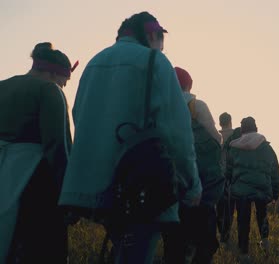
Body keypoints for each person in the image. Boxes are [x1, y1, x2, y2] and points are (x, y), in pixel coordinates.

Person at [58, 12, 201, 264]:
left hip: (100, 184)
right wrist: (191, 184)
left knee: (125, 249)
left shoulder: (94, 63)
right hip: (144, 184)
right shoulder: (155, 61)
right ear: (151, 36)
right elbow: (177, 132)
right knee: (136, 252)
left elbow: (79, 116)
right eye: (160, 42)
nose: (161, 49)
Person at [0, 42, 74, 263]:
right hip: (34, 182)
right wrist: (68, 193)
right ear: (54, 72)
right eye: (65, 80)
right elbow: (57, 145)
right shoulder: (49, 91)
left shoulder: (2, 85)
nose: (64, 86)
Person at [163, 67, 224, 264]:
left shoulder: (160, 104)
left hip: (170, 181)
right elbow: (215, 139)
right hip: (200, 180)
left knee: (174, 239)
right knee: (203, 235)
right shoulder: (196, 105)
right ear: (188, 84)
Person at [226, 117, 279, 260]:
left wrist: (230, 186)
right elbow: (275, 171)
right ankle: (265, 242)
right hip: (262, 188)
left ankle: (244, 254)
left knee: (243, 221)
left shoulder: (234, 148)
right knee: (262, 215)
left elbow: (229, 171)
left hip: (241, 191)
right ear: (256, 128)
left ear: (242, 130)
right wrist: (275, 193)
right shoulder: (267, 147)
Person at [216, 115, 241, 243]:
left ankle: (221, 232)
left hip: (218, 177)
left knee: (219, 207)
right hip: (232, 177)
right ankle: (225, 237)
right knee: (230, 208)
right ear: (230, 122)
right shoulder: (238, 136)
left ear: (220, 123)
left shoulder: (215, 136)